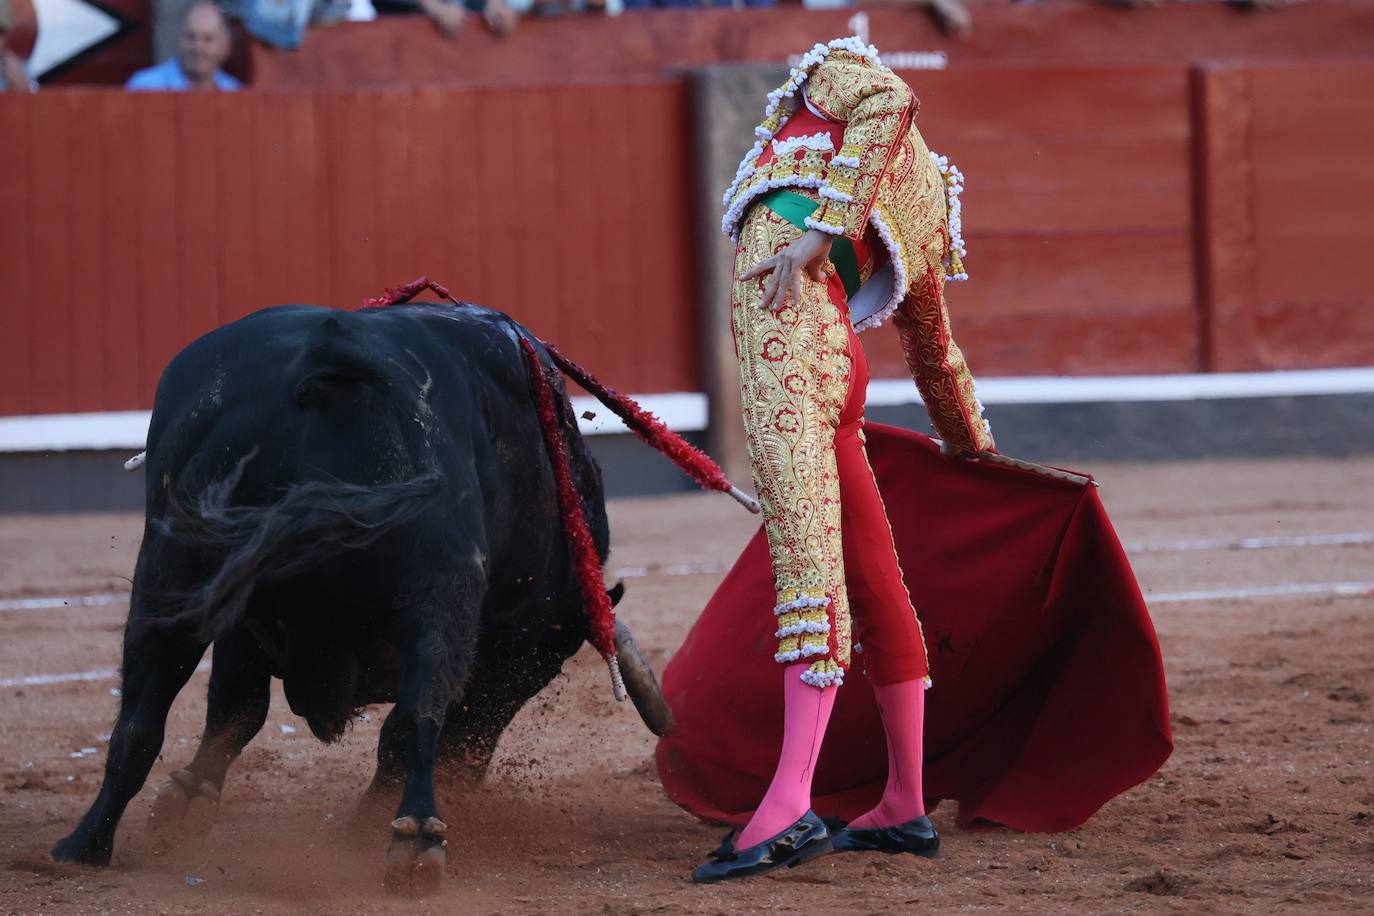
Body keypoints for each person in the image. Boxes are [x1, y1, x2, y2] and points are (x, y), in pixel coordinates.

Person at [692, 37, 992, 882]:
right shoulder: (923, 208)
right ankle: (902, 802)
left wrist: (822, 231)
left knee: (810, 562)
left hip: (787, 319)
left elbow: (892, 102)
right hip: (837, 353)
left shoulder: (836, 75)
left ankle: (788, 804)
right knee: (871, 573)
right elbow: (937, 359)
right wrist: (979, 453)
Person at [127, 1, 242, 92]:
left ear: (225, 47)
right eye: (190, 37)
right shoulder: (144, 87)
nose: (198, 47)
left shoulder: (235, 91)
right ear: (177, 39)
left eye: (208, 39)